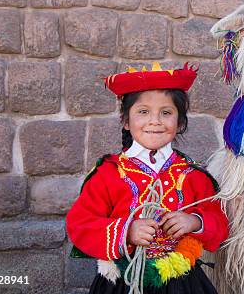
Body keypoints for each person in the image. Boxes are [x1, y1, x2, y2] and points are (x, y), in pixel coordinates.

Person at [66, 62, 229, 294]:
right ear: (125, 120)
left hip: (182, 283)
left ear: (180, 122)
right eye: (143, 112)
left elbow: (220, 221)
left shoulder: (193, 175)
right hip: (123, 282)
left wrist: (195, 222)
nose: (155, 121)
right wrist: (127, 231)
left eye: (166, 112)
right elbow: (80, 223)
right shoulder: (109, 173)